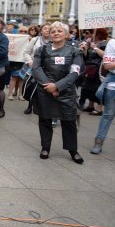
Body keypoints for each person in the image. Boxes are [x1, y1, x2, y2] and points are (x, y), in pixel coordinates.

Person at [32, 22, 84, 164]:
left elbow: (75, 73)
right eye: (53, 31)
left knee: (69, 121)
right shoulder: (41, 50)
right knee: (45, 119)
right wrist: (49, 86)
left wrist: (57, 87)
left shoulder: (75, 51)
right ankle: (45, 147)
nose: (55, 33)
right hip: (45, 90)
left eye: (59, 31)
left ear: (66, 34)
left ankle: (73, 150)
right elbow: (36, 69)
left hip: (66, 92)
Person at [91, 34, 115, 154]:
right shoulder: (114, 42)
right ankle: (99, 142)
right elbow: (107, 65)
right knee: (108, 114)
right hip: (114, 83)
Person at [22, 23, 50, 114]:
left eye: (49, 29)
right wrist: (30, 61)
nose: (47, 30)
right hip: (35, 68)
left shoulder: (54, 41)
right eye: (45, 28)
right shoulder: (35, 40)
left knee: (44, 87)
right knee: (32, 85)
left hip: (48, 69)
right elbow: (26, 52)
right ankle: (30, 105)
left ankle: (42, 107)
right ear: (41, 30)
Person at [79, 28, 108, 115]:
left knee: (97, 89)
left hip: (98, 70)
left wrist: (95, 47)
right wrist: (85, 49)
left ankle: (99, 109)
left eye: (87, 33)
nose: (86, 35)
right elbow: (87, 57)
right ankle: (90, 106)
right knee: (89, 88)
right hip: (89, 68)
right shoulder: (91, 43)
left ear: (98, 34)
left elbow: (105, 55)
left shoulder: (105, 43)